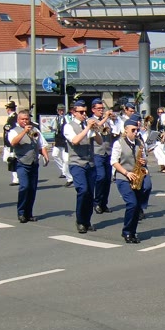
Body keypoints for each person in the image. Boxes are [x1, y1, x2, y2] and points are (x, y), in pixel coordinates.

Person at [111, 114, 152, 243]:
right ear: (126, 130)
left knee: (137, 204)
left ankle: (133, 231)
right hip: (123, 177)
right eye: (133, 130)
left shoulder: (139, 143)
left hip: (137, 176)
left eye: (136, 130)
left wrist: (143, 161)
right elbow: (114, 162)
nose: (135, 132)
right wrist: (126, 173)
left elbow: (144, 158)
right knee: (132, 204)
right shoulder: (118, 143)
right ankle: (127, 231)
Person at [64, 99, 102, 234]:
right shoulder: (69, 126)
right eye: (81, 112)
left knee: (90, 193)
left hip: (90, 163)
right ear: (74, 112)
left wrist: (95, 129)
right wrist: (87, 128)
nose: (84, 114)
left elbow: (99, 141)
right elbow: (75, 141)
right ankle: (80, 221)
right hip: (77, 163)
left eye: (85, 112)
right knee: (83, 190)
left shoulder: (87, 125)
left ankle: (87, 221)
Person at [8, 109, 50, 223]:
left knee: (32, 189)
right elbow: (13, 142)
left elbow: (42, 145)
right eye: (22, 119)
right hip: (22, 162)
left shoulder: (35, 130)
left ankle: (29, 213)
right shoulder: (14, 131)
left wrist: (46, 156)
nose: (25, 121)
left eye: (27, 119)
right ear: (18, 120)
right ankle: (21, 212)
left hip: (34, 163)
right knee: (24, 187)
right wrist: (24, 132)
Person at [89, 98, 114, 214]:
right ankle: (97, 202)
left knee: (108, 179)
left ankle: (104, 203)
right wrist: (106, 118)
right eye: (99, 109)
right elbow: (96, 127)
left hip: (108, 152)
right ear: (93, 110)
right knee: (101, 177)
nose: (101, 110)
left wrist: (113, 119)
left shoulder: (107, 121)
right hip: (97, 152)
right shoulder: (90, 120)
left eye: (102, 108)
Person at [50, 103, 73, 186]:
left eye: (62, 110)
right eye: (60, 110)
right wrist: (52, 129)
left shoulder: (67, 118)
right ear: (57, 111)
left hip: (65, 141)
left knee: (65, 160)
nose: (61, 112)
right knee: (54, 155)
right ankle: (63, 170)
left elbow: (71, 125)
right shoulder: (56, 118)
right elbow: (53, 127)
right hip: (58, 140)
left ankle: (69, 178)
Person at [3, 100, 20, 186]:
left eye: (7, 108)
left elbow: (9, 127)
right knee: (6, 159)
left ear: (8, 109)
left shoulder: (14, 117)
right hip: (7, 143)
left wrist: (5, 127)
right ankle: (18, 174)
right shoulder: (11, 117)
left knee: (12, 160)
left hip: (12, 142)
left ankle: (16, 179)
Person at [152, 106, 165, 173]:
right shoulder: (157, 120)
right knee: (157, 152)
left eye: (161, 112)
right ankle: (162, 166)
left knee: (164, 152)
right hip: (157, 137)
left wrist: (164, 136)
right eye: (158, 112)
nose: (160, 114)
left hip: (164, 137)